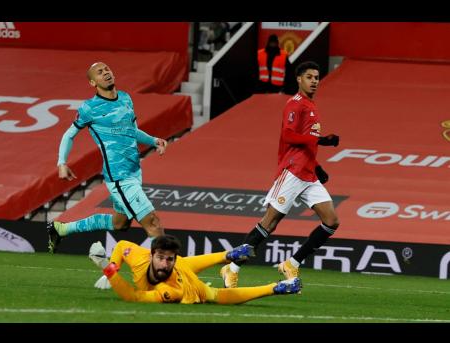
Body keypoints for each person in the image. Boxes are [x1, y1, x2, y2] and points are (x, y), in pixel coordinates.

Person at [221, 61, 340, 288]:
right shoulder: (295, 104)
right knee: (270, 222)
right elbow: (288, 136)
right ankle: (232, 267)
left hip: (307, 174)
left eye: (316, 77)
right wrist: (321, 140)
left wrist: (317, 167)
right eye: (309, 77)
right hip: (292, 172)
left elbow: (305, 146)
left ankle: (292, 263)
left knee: (331, 221)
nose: (314, 81)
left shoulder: (311, 106)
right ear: (298, 79)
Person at [47, 62, 168, 254]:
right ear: (92, 82)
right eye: (100, 72)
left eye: (107, 70)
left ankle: (61, 229)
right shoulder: (89, 108)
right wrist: (61, 162)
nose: (105, 73)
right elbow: (69, 135)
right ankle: (171, 277)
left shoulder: (126, 99)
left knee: (119, 223)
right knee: (153, 224)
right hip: (119, 176)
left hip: (135, 170)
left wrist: (153, 140)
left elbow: (132, 131)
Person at [88, 235, 302, 304]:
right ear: (151, 254)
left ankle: (277, 287)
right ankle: (228, 256)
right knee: (184, 261)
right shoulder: (139, 257)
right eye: (161, 257)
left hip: (187, 283)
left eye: (168, 259)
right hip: (182, 264)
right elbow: (122, 245)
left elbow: (133, 297)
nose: (164, 263)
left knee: (216, 295)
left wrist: (109, 271)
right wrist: (114, 263)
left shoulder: (170, 290)